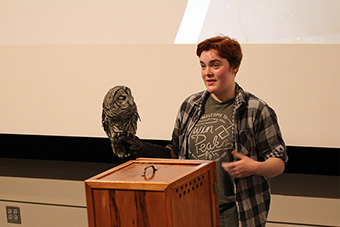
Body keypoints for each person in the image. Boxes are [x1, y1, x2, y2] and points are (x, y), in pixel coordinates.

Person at [121, 36, 288, 227]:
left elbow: (278, 162)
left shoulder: (255, 109)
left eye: (215, 65)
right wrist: (141, 148)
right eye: (203, 65)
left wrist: (255, 167)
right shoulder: (190, 106)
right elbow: (176, 155)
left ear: (234, 67)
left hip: (236, 213)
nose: (207, 73)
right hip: (192, 209)